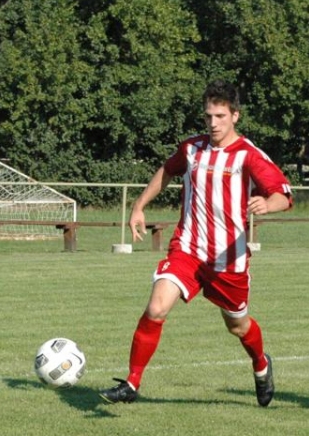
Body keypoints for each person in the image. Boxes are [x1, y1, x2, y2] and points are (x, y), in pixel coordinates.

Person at [100, 80, 293, 407]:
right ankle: (131, 384)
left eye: (220, 116)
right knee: (157, 307)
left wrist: (268, 204)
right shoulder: (192, 149)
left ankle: (260, 364)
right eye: (208, 116)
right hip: (187, 248)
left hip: (227, 260)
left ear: (235, 116)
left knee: (237, 325)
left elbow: (284, 195)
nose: (213, 123)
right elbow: (167, 169)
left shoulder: (248, 155)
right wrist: (138, 205)